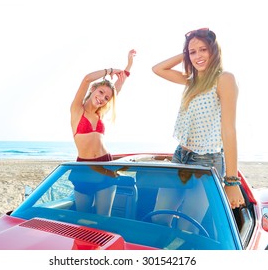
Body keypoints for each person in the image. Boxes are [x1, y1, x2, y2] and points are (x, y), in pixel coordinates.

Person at [152, 28, 244, 226]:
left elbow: (229, 131)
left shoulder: (224, 79)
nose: (198, 56)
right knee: (160, 217)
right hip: (180, 156)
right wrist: (185, 54)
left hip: (206, 162)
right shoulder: (191, 81)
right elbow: (158, 69)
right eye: (192, 52)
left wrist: (232, 181)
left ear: (214, 51)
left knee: (188, 226)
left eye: (203, 49)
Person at [70, 49, 136, 215]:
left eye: (107, 98)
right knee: (82, 218)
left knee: (103, 218)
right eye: (101, 92)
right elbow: (86, 78)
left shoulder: (100, 113)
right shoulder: (77, 110)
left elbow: (118, 88)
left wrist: (128, 65)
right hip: (84, 169)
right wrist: (110, 71)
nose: (102, 98)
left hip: (106, 164)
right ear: (93, 89)